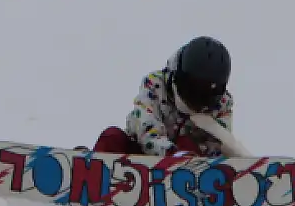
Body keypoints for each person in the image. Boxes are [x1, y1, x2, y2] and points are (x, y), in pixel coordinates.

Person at [90, 36, 242, 158]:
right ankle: (91, 175)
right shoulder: (156, 84)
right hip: (142, 157)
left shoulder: (222, 105)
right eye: (195, 88)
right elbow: (146, 129)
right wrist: (173, 155)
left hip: (188, 172)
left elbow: (215, 147)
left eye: (206, 93)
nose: (198, 98)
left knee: (188, 143)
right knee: (112, 137)